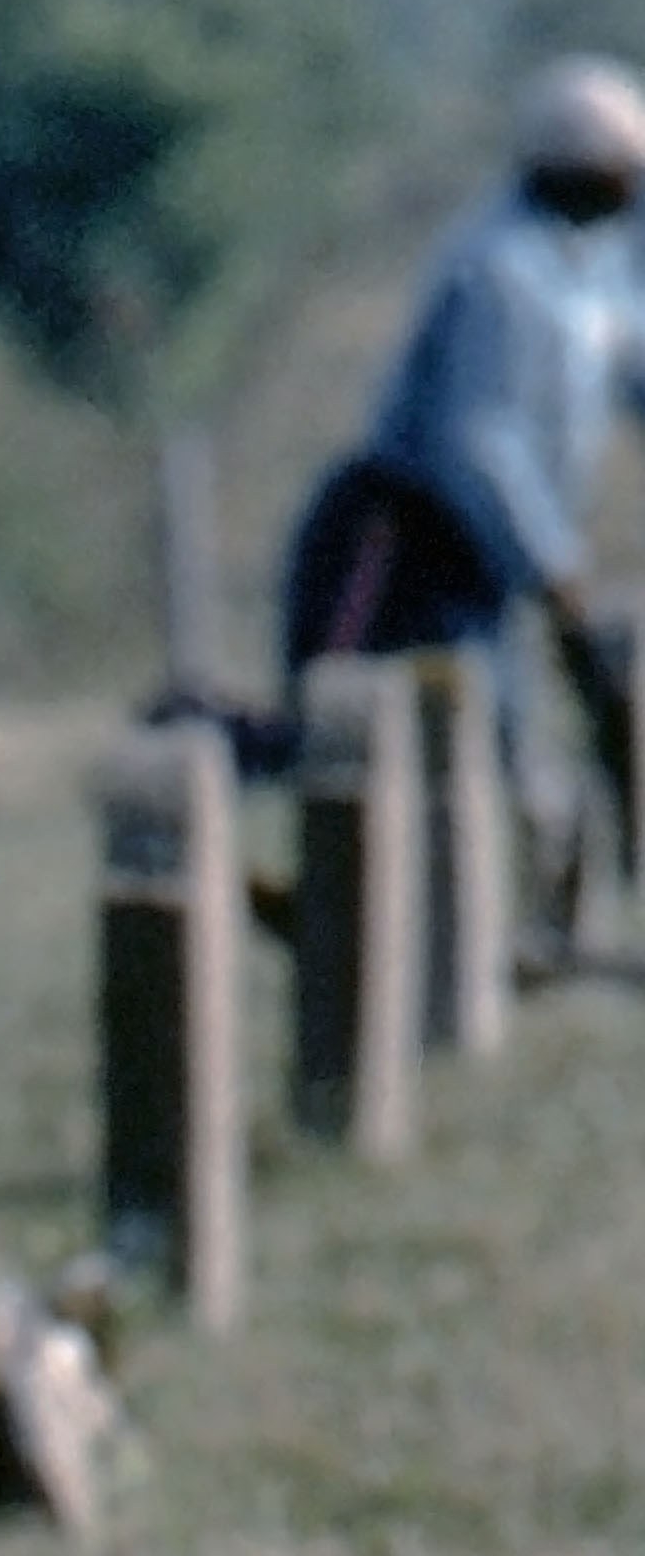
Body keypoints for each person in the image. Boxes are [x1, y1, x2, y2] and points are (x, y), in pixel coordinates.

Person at [269, 51, 645, 940]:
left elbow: (626, 369)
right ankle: (351, 919)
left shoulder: (589, 273)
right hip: (408, 539)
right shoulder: (501, 271)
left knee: (499, 739)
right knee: (373, 734)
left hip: (484, 558)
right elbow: (482, 445)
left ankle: (517, 932)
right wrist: (554, 569)